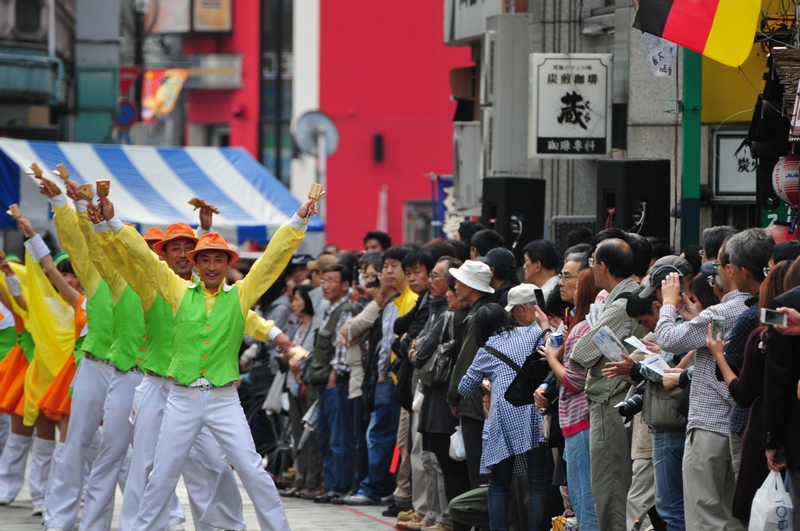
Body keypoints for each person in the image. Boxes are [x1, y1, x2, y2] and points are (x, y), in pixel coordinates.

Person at [96, 194, 314, 530]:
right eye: (206, 260)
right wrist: (112, 224)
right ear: (196, 265)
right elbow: (144, 258)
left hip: (224, 399)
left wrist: (298, 222)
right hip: (181, 399)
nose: (212, 267)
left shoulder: (240, 296)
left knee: (252, 470)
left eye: (218, 260)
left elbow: (271, 260)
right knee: (161, 476)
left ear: (228, 265)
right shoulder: (176, 292)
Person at [656, 239, 749, 531]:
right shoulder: (755, 307)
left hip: (710, 424)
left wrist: (669, 304)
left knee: (703, 518)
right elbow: (711, 342)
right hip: (736, 426)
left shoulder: (722, 312)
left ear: (731, 270)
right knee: (733, 518)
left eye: (719, 264)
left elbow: (668, 339)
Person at [569, 238, 644, 531]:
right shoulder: (629, 294)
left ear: (602, 266)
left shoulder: (620, 304)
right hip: (623, 397)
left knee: (611, 485)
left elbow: (581, 353)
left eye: (592, 264)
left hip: (611, 400)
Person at [708, 259, 791, 524]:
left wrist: (718, 355)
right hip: (788, 434)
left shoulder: (763, 335)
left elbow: (743, 393)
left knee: (754, 515)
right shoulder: (785, 331)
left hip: (761, 434)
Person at [459, 303, 548, 531]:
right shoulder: (530, 333)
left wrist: (487, 384)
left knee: (499, 483)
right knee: (538, 481)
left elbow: (464, 388)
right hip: (535, 411)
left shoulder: (485, 351)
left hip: (504, 417)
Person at [344, 246, 418, 506]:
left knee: (380, 436)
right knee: (381, 437)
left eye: (393, 266)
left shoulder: (409, 300)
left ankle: (376, 488)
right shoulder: (391, 303)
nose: (388, 271)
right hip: (383, 379)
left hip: (396, 380)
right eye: (385, 266)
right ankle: (388, 488)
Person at [540, 268, 600, 531]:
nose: (565, 286)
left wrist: (552, 358)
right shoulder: (581, 326)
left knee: (583, 498)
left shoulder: (581, 329)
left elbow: (574, 381)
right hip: (586, 422)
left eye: (571, 282)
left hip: (579, 423)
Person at [307, 264, 354, 502]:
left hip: (334, 384)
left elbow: (342, 347)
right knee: (324, 436)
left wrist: (334, 378)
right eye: (323, 281)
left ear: (344, 285)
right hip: (322, 383)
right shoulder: (326, 309)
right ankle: (329, 483)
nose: (325, 286)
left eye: (331, 281)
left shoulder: (345, 310)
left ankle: (340, 485)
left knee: (338, 436)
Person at [446, 260, 495, 489]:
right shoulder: (481, 312)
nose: (455, 285)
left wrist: (454, 396)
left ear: (471, 286)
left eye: (460, 281)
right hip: (480, 399)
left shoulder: (478, 317)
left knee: (478, 471)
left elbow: (465, 363)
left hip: (474, 401)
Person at [282, 285, 324, 500]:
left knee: (310, 436)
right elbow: (286, 351)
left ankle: (311, 480)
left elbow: (312, 353)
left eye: (297, 299)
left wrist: (295, 355)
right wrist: (290, 357)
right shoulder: (296, 326)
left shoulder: (316, 325)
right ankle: (300, 479)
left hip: (308, 385)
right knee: (297, 434)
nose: (294, 303)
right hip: (292, 384)